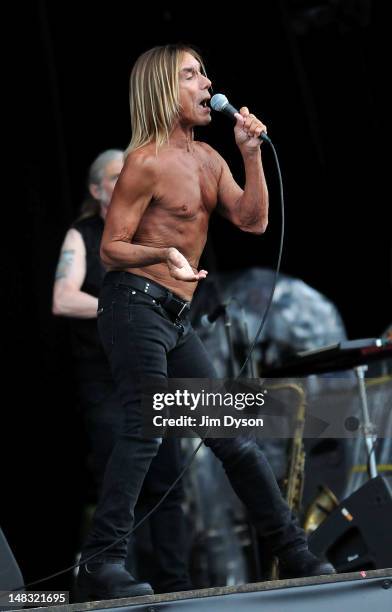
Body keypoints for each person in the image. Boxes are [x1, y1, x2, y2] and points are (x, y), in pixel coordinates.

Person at [76, 44, 335, 602]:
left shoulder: (209, 160)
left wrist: (249, 153)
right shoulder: (143, 161)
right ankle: (101, 560)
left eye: (204, 73)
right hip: (132, 306)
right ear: (163, 91)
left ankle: (294, 552)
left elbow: (253, 220)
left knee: (235, 440)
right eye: (191, 75)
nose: (206, 84)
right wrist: (160, 257)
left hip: (175, 318)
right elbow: (110, 249)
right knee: (146, 425)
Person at [52, 149, 192, 595]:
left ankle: (176, 584)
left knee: (169, 485)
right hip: (107, 385)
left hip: (152, 376)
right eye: (116, 177)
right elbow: (62, 297)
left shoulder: (144, 235)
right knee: (121, 478)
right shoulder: (85, 233)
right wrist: (124, 307)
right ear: (96, 191)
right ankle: (113, 580)